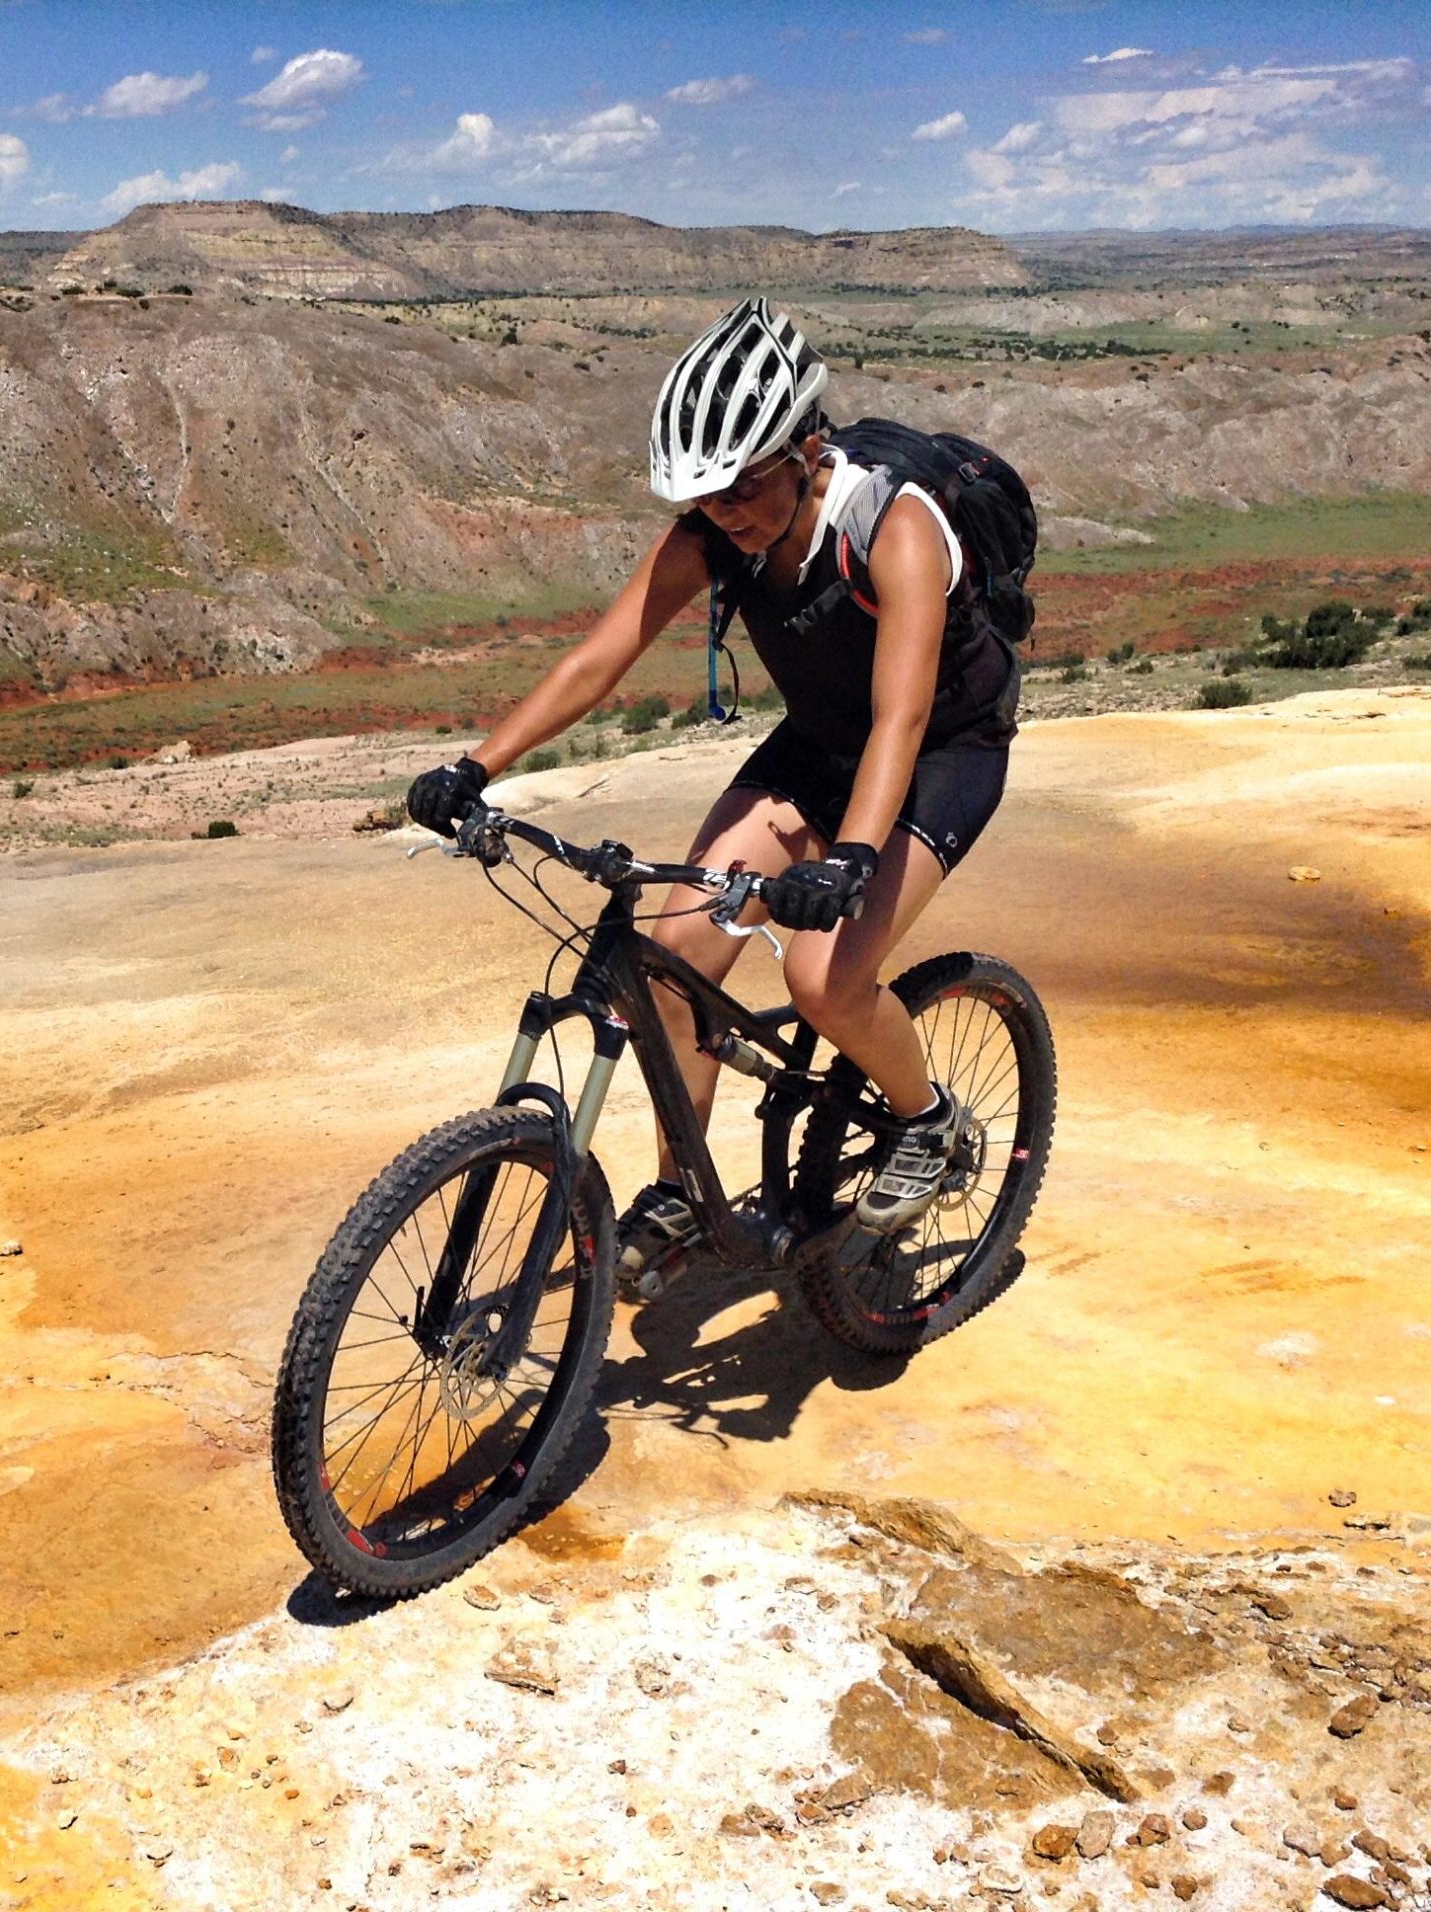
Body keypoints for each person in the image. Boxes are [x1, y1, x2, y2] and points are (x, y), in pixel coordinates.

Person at [404, 296, 1029, 1283]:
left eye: (740, 486)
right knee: (669, 957)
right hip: (822, 743)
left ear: (802, 449)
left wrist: (852, 861)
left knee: (821, 980)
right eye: (700, 497)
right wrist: (475, 766)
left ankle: (930, 1120)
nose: (721, 511)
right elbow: (598, 658)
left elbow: (902, 720)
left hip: (944, 748)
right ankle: (680, 1199)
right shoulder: (712, 536)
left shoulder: (893, 529)